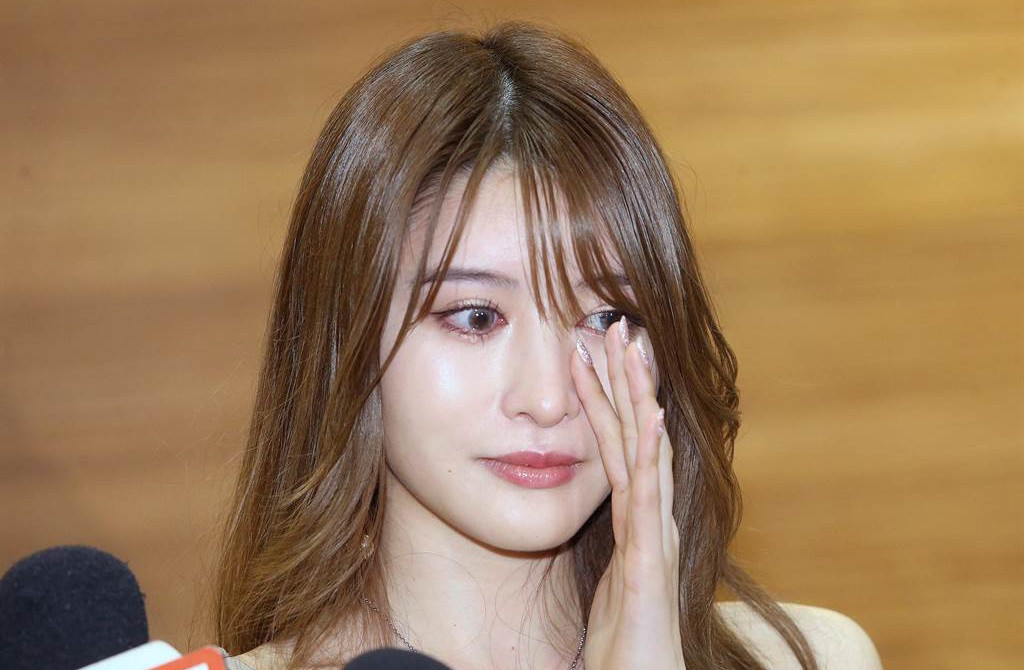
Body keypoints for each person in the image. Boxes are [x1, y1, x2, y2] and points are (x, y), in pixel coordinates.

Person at [212, 20, 882, 670]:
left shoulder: (814, 659)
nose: (548, 398)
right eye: (476, 317)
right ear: (346, 341)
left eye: (607, 316)